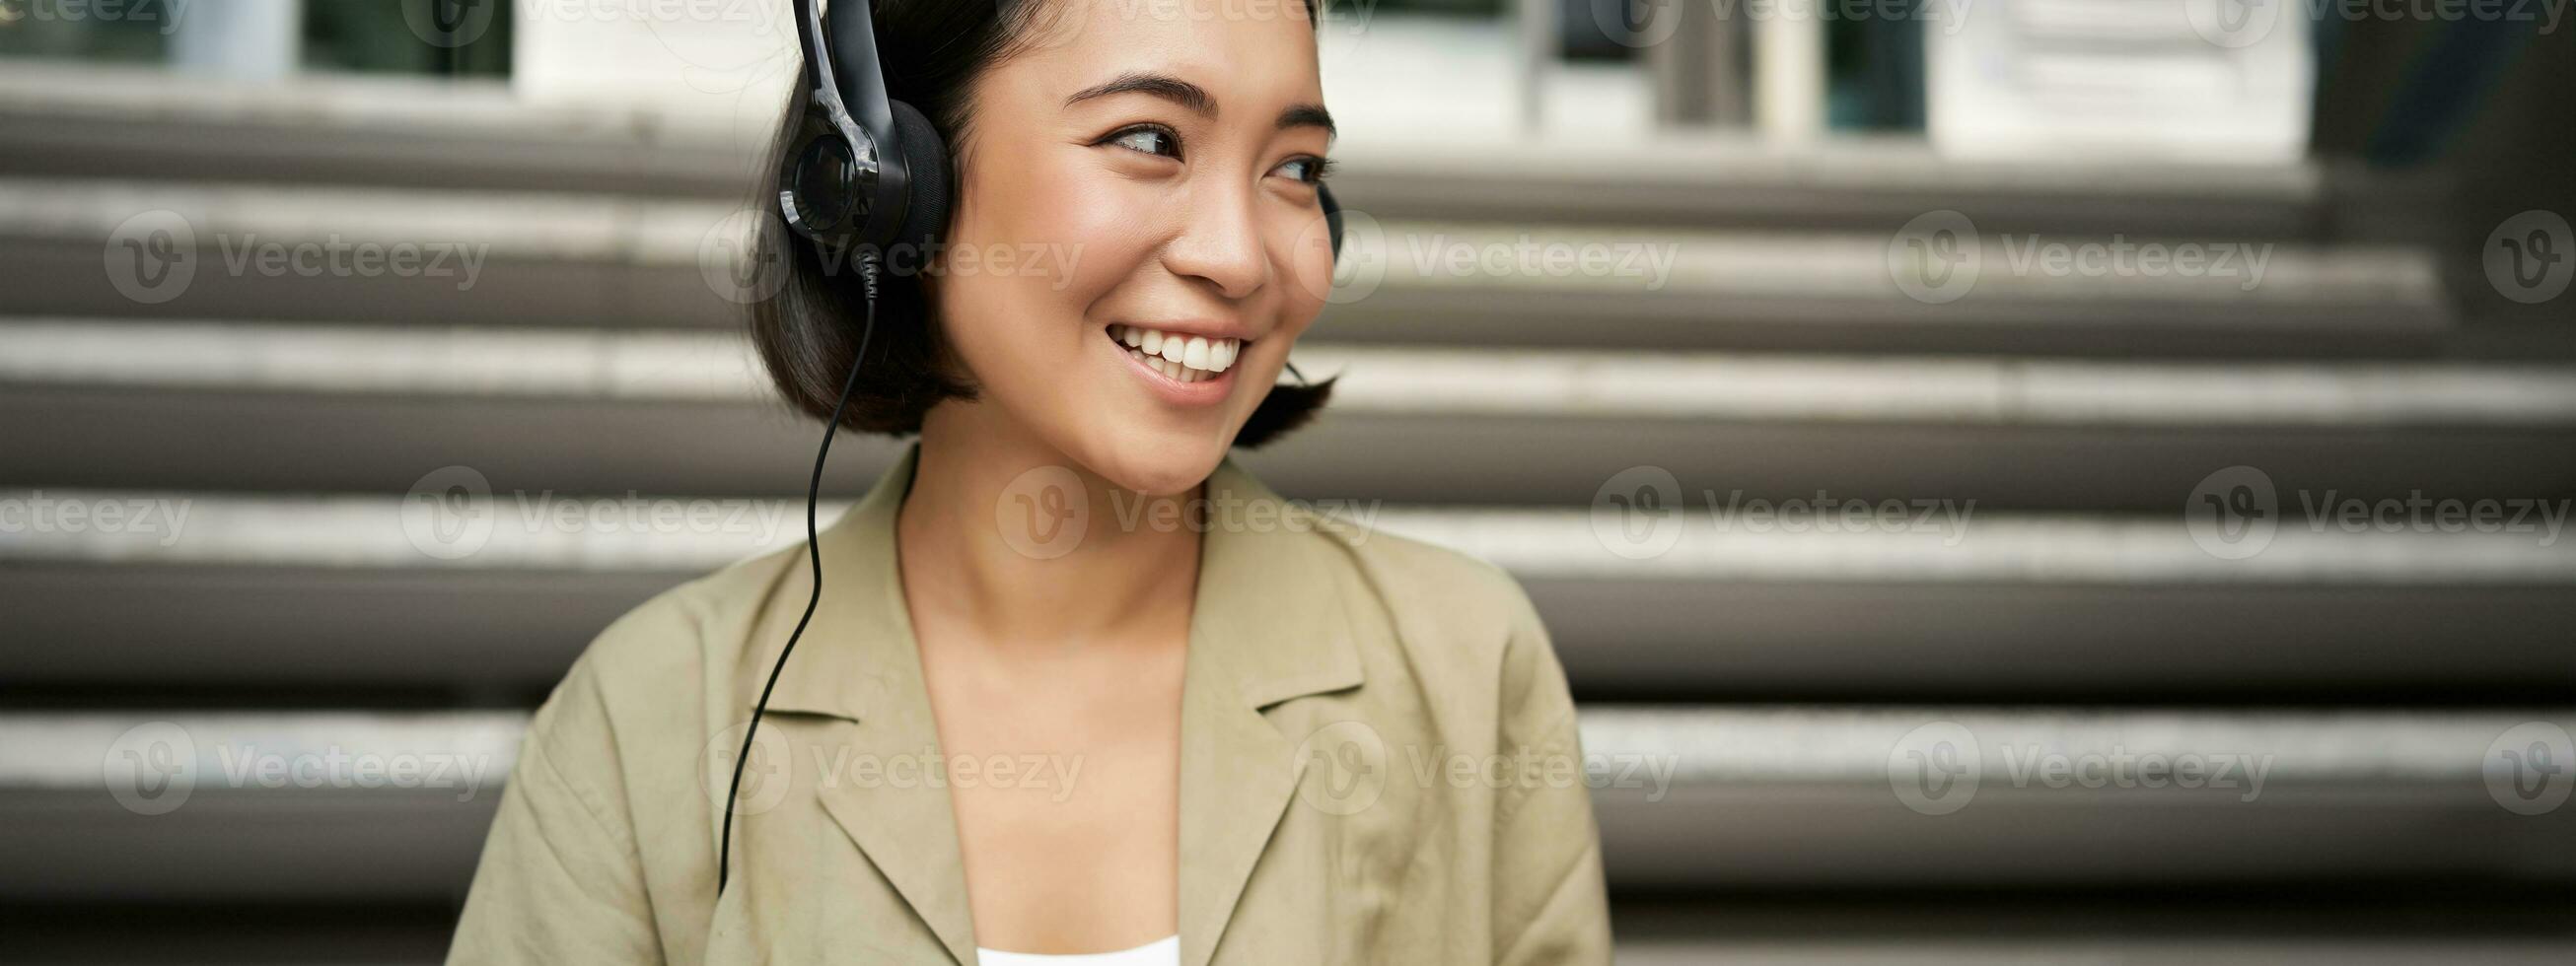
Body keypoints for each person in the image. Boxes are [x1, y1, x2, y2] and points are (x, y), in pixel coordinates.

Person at [447, 1, 1611, 962]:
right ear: (890, 184)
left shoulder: (1463, 669)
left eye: (1295, 168)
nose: (1243, 255)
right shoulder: (646, 723)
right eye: (1150, 140)